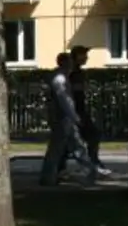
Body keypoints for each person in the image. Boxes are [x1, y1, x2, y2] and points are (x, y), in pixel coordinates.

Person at [39, 53, 96, 186]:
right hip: (63, 118)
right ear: (64, 63)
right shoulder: (60, 79)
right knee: (72, 146)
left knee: (60, 148)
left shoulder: (61, 77)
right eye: (70, 62)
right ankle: (89, 172)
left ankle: (49, 176)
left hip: (62, 117)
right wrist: (74, 116)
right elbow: (64, 100)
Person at [67, 45, 112, 178]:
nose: (87, 58)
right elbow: (74, 93)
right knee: (92, 135)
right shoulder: (73, 73)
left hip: (78, 110)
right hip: (76, 111)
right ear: (76, 56)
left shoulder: (76, 72)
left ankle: (58, 167)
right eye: (84, 55)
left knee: (70, 141)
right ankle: (93, 162)